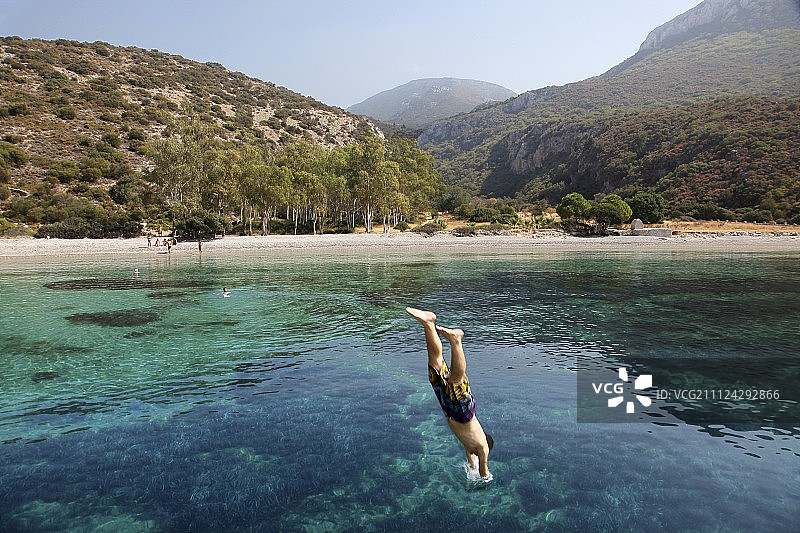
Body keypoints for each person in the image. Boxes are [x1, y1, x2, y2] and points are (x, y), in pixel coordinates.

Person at [406, 307, 493, 480]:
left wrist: (470, 466)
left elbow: (471, 461)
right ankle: (456, 340)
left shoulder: (469, 446)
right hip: (463, 413)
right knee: (455, 380)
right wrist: (486, 481)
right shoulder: (483, 447)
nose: (471, 455)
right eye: (473, 454)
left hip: (448, 408)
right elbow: (484, 472)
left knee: (435, 366)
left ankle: (428, 323)